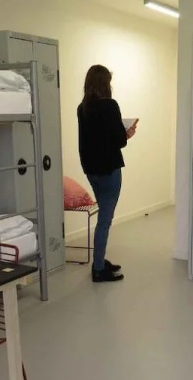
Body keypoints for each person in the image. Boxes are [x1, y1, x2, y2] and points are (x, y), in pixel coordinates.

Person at [77, 65, 137, 283]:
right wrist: (128, 133)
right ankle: (98, 269)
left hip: (91, 170)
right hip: (109, 170)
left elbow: (89, 140)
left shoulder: (82, 108)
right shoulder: (110, 106)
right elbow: (119, 140)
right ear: (104, 84)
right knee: (105, 220)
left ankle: (99, 261)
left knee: (103, 216)